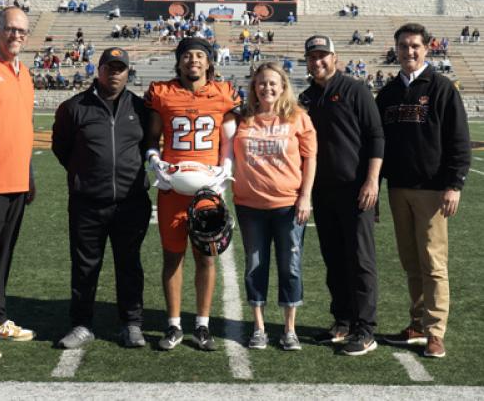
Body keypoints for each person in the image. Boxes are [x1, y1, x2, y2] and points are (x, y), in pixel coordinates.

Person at [376, 23, 471, 358]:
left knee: (433, 262)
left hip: (432, 190)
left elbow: (459, 141)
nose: (409, 52)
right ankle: (416, 323)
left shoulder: (443, 88)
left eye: (415, 46)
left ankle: (435, 331)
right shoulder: (387, 94)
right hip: (397, 189)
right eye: (403, 46)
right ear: (396, 50)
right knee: (410, 261)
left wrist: (454, 184)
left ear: (427, 48)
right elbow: (377, 145)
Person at [52, 48, 151, 350]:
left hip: (131, 202)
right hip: (88, 203)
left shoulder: (141, 107)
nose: (115, 73)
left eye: (120, 68)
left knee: (129, 265)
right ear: (99, 70)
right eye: (110, 67)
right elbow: (62, 148)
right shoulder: (74, 107)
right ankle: (81, 324)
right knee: (84, 266)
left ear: (127, 72)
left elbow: (147, 146)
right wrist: (88, 176)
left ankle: (131, 323)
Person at [145, 37, 240, 351]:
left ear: (209, 62)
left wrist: (225, 168)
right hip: (172, 188)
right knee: (173, 257)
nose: (193, 61)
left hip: (208, 190)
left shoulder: (224, 94)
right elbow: (151, 138)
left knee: (206, 257)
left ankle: (202, 324)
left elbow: (230, 140)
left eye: (199, 55)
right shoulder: (162, 93)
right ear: (179, 61)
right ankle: (173, 325)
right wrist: (155, 162)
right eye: (187, 56)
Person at [299, 34, 384, 356]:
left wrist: (372, 181)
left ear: (335, 58)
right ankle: (343, 320)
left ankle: (366, 328)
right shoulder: (306, 97)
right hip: (322, 192)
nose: (317, 61)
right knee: (334, 258)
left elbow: (376, 137)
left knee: (361, 259)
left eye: (323, 56)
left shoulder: (356, 89)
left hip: (356, 190)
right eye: (312, 57)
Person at [233, 63, 316, 351]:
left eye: (272, 83)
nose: (267, 88)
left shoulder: (298, 117)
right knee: (255, 265)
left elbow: (310, 160)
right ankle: (259, 327)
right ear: (254, 87)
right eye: (261, 83)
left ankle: (289, 329)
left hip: (288, 205)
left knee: (290, 266)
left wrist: (305, 197)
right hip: (250, 205)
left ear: (282, 87)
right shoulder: (242, 118)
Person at [0, 7, 35, 360]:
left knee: (2, 257)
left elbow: (21, 127)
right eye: (10, 29)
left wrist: (28, 172)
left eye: (22, 31)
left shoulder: (25, 73)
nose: (16, 35)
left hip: (15, 180)